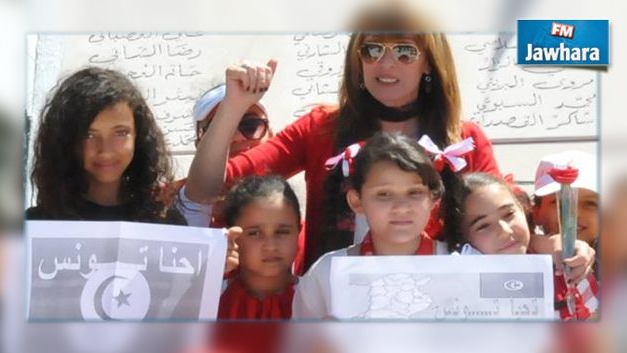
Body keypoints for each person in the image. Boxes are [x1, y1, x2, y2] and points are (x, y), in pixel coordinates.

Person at [186, 3, 502, 272]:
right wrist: (233, 107)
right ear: (357, 59)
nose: (385, 63)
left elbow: (504, 226)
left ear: (429, 63)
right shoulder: (321, 127)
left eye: (404, 51)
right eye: (372, 49)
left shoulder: (465, 140)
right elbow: (205, 189)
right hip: (330, 315)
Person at [291, 133, 449, 319]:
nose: (401, 207)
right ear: (356, 201)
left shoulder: (460, 264)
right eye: (384, 194)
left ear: (433, 198)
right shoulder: (327, 272)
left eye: (414, 192)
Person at [27, 67, 185, 224]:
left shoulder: (165, 224)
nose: (105, 151)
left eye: (120, 133)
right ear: (66, 140)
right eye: (88, 135)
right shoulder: (34, 225)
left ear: (139, 135)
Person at [445, 172, 599, 321]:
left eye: (508, 214)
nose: (505, 230)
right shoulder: (458, 289)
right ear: (463, 237)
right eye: (483, 225)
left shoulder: (566, 270)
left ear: (523, 210)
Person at [159, 83, 272, 227]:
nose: (237, 137)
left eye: (250, 126)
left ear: (271, 136)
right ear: (200, 146)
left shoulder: (287, 211)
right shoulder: (166, 206)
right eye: (220, 128)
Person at [218, 175, 299, 320]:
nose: (271, 246)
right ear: (233, 237)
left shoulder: (318, 296)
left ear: (298, 231)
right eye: (255, 233)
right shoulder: (210, 297)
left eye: (282, 232)